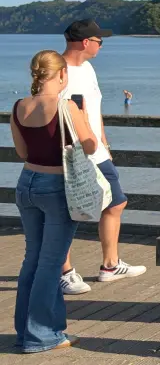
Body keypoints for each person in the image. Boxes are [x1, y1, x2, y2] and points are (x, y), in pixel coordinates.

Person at [11, 50, 98, 353]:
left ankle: (24, 332)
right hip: (57, 186)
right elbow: (90, 146)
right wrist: (83, 118)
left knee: (32, 259)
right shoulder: (66, 106)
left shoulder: (19, 107)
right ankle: (42, 335)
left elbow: (23, 152)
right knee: (50, 264)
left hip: (26, 183)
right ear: (62, 74)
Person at [59, 19, 143, 294]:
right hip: (72, 154)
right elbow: (59, 116)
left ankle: (110, 265)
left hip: (97, 150)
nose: (101, 46)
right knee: (67, 212)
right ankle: (64, 272)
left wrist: (104, 141)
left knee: (116, 202)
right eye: (99, 41)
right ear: (86, 42)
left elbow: (94, 108)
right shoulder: (58, 71)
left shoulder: (88, 68)